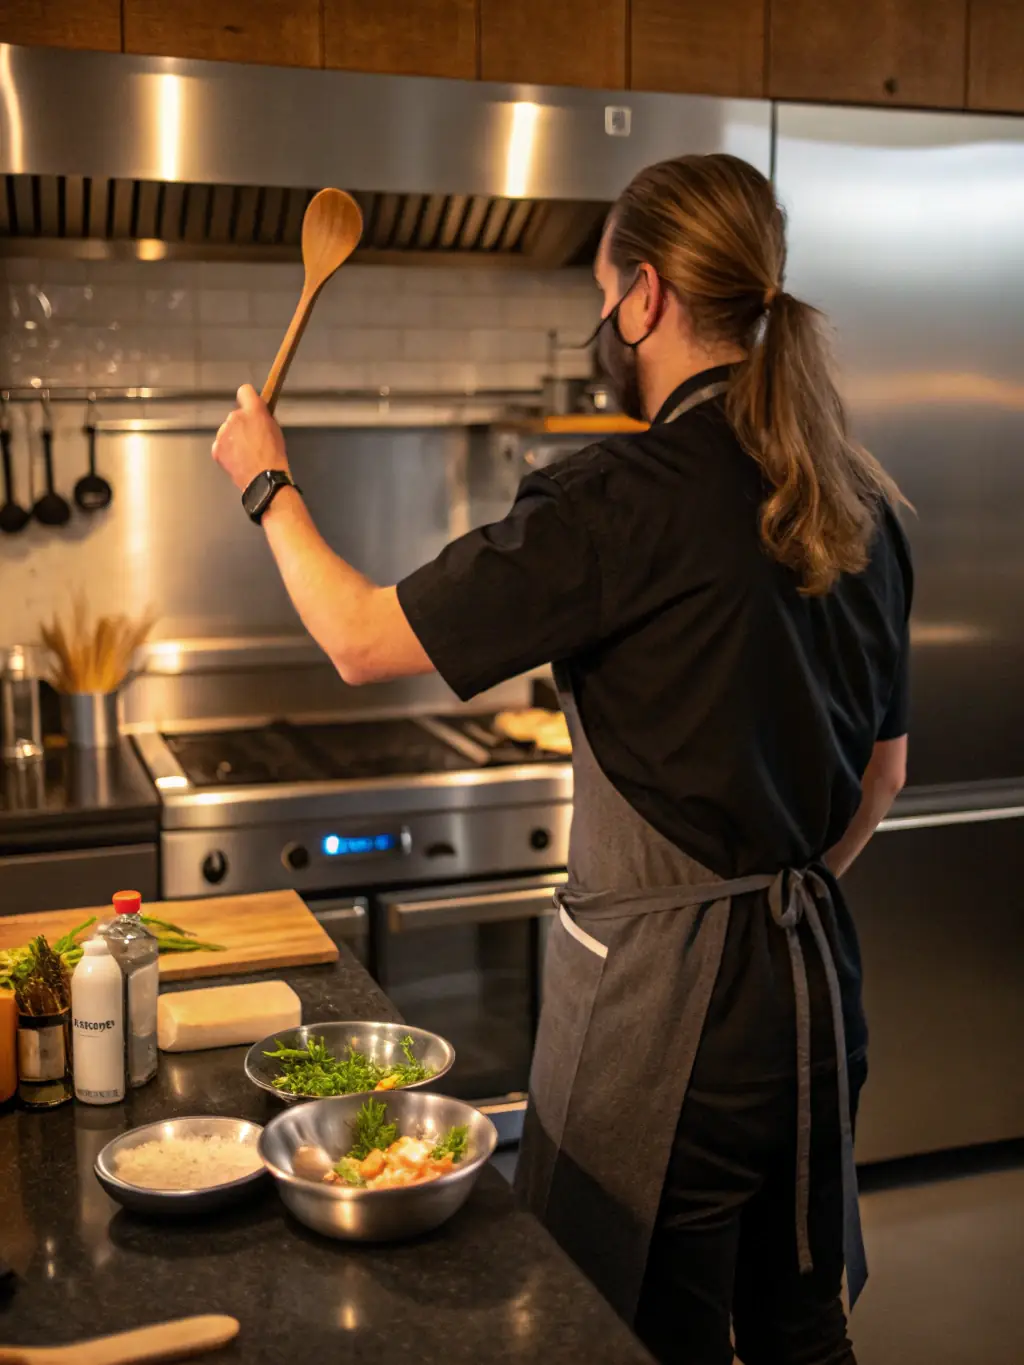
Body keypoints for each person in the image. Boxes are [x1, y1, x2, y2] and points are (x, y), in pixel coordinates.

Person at [212, 153, 912, 1365]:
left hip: (667, 1018)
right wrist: (765, 902)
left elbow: (361, 639)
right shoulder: (856, 497)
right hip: (812, 995)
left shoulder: (615, 495)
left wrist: (266, 481)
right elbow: (882, 781)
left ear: (642, 299)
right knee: (801, 1332)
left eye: (603, 294)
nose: (602, 320)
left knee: (633, 1335)